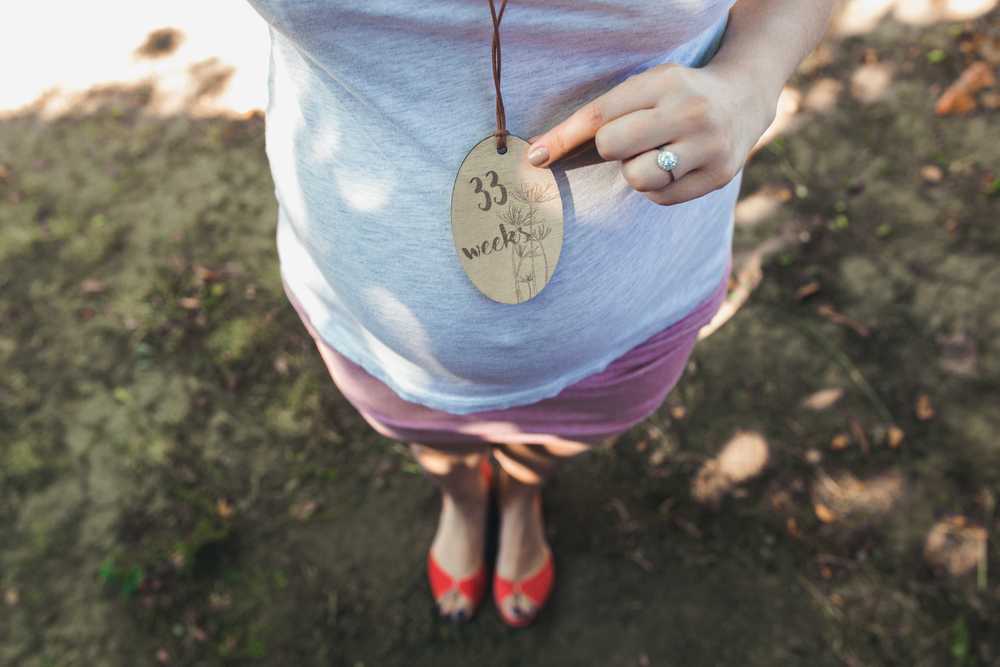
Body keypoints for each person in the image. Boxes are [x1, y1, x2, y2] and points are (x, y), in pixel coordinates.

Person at [245, 0, 834, 626]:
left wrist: (754, 78)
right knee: (433, 440)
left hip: (633, 316)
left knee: (555, 442)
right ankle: (464, 501)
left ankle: (523, 494)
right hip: (371, 329)